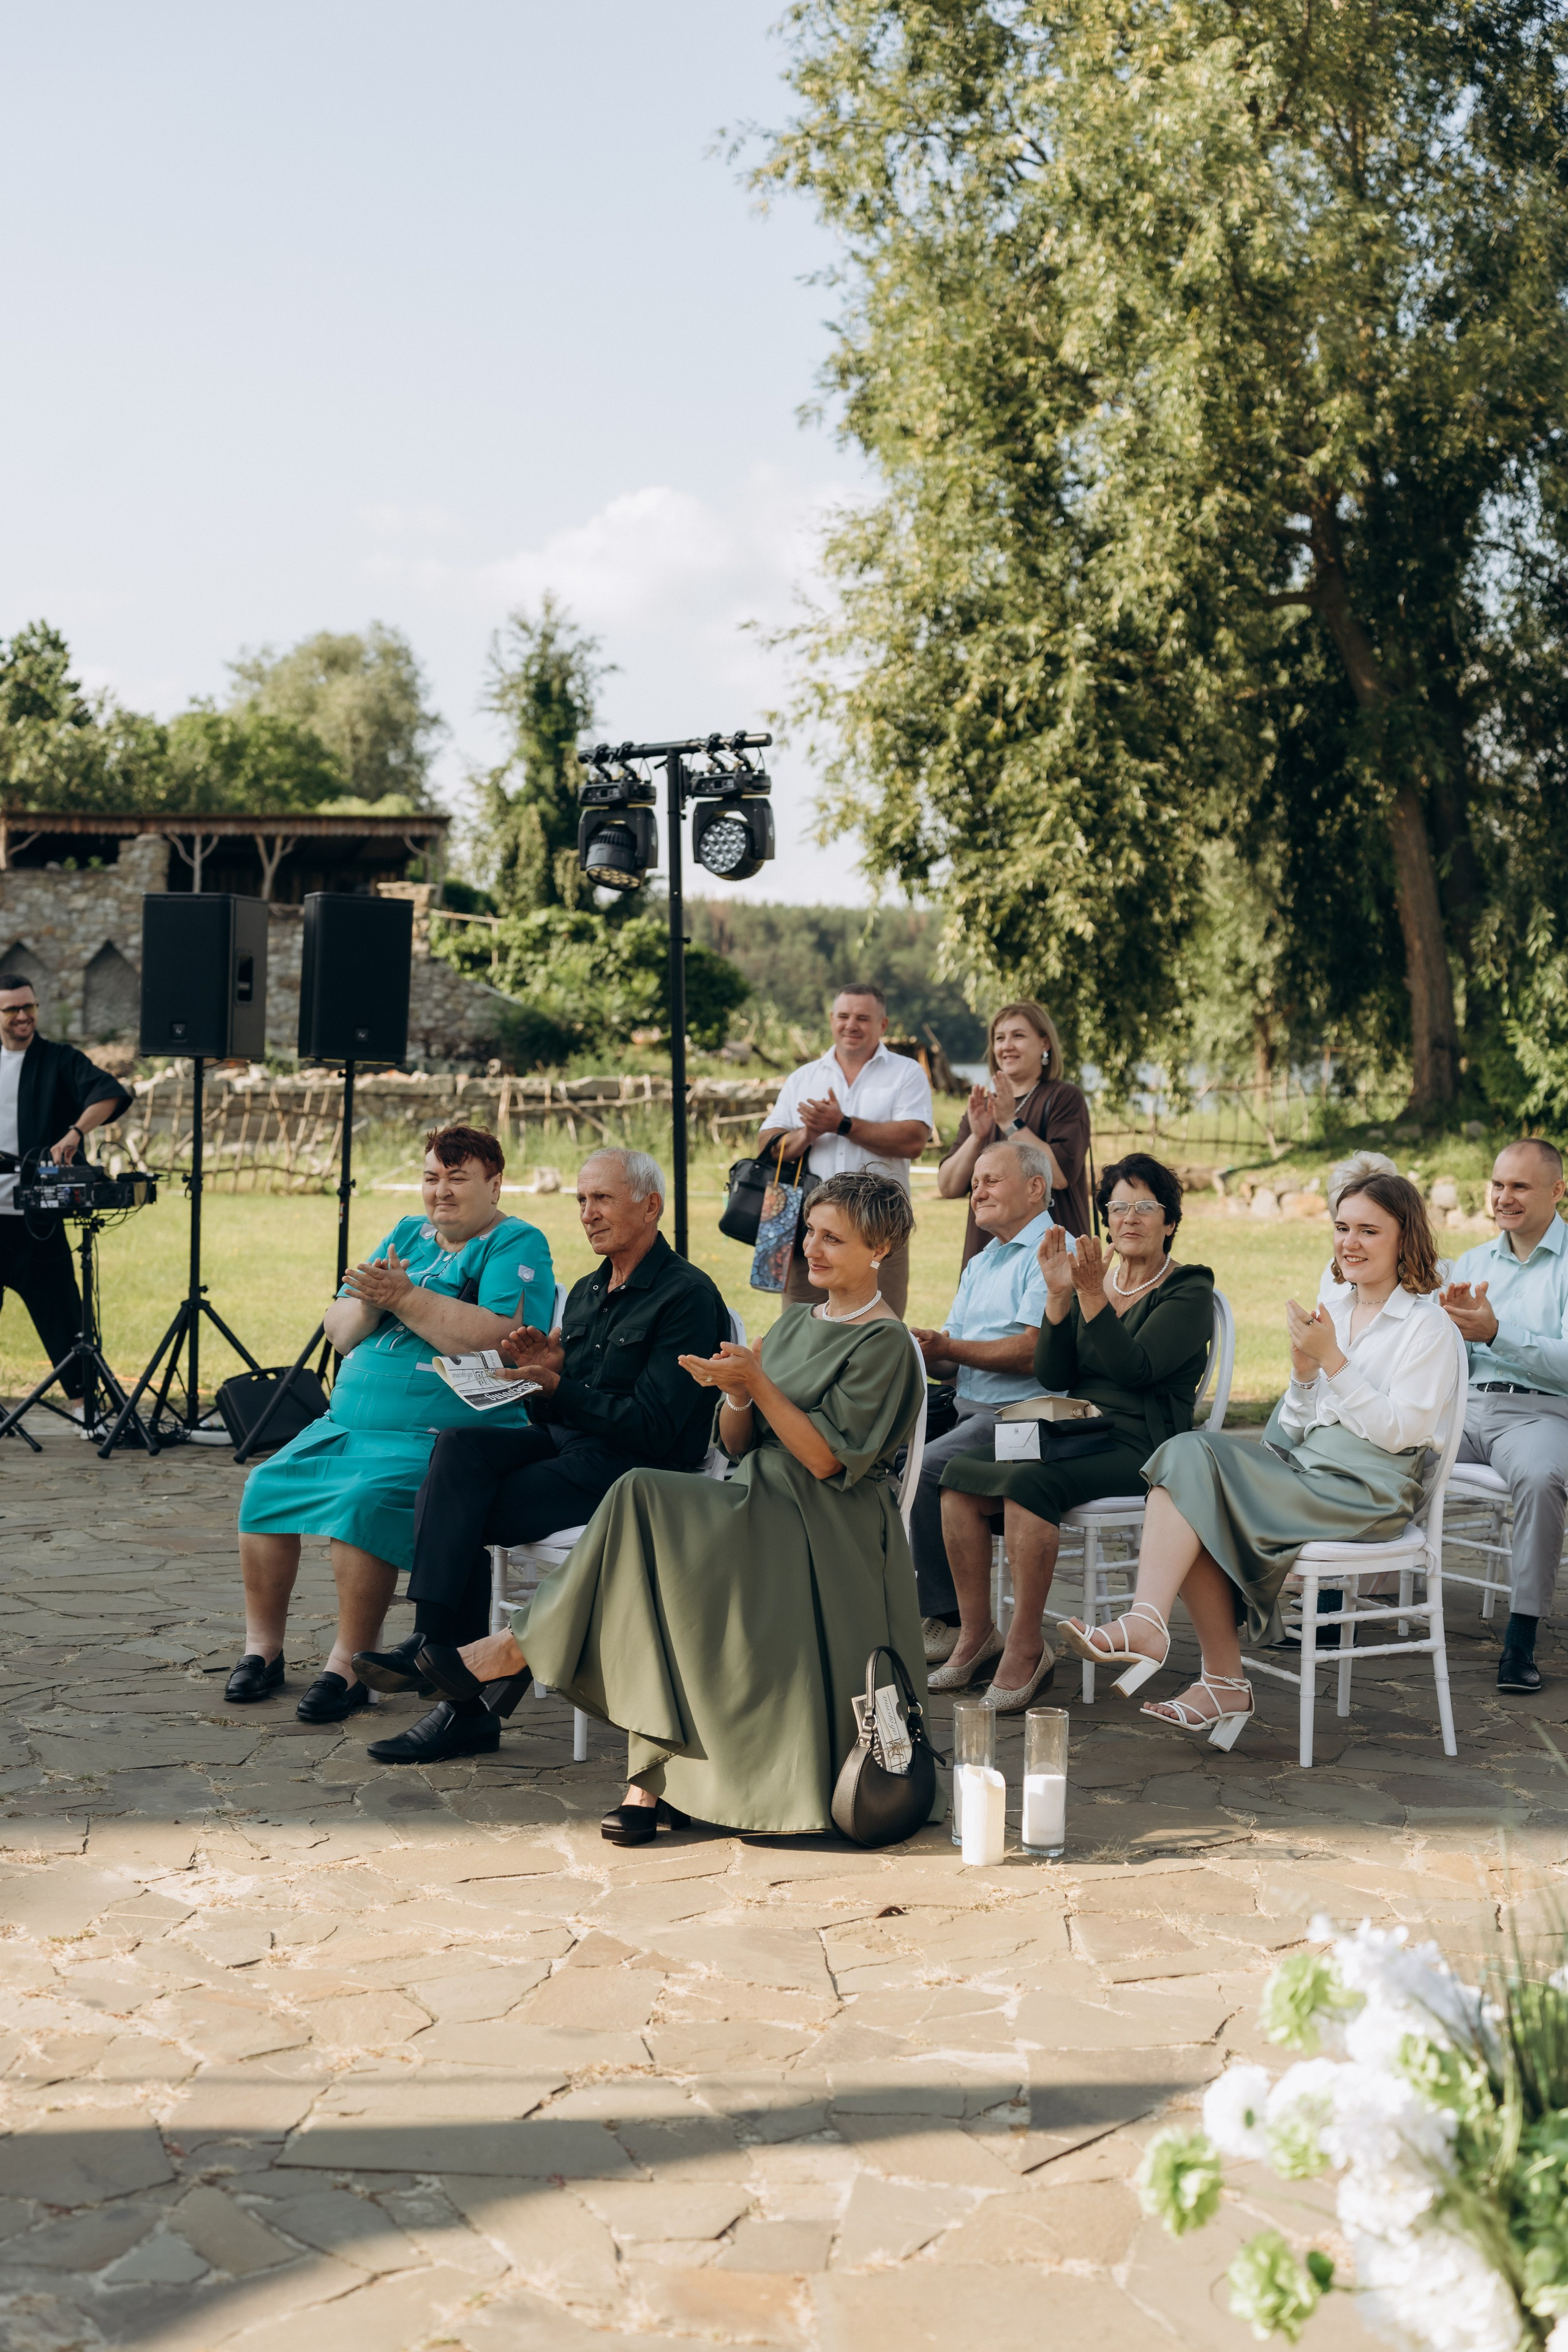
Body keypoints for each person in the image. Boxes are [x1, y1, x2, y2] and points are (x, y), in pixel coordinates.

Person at [407, 1172, 928, 1843]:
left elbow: (829, 1463)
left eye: (833, 1238)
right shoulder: (797, 1319)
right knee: (646, 1549)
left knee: (640, 1494)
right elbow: (739, 1445)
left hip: (828, 1522)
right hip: (755, 1496)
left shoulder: (884, 1343)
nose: (811, 1249)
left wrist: (758, 1385)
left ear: (879, 1248)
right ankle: (643, 1780)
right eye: (809, 1233)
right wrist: (735, 1395)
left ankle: (516, 1651)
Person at [353, 1147, 729, 1766]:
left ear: (650, 1206)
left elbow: (657, 1430)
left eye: (602, 1199)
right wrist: (539, 1378)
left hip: (635, 1472)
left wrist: (560, 1387)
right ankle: (432, 1640)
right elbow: (561, 1408)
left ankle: (461, 1700)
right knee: (460, 1449)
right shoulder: (584, 1292)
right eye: (582, 1200)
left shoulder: (685, 1297)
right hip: (574, 1446)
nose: (588, 1213)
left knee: (463, 1508)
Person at [1060, 1171, 1460, 1746]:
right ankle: (1197, 1660)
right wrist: (1303, 1377)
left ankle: (1177, 1646)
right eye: (1343, 1227)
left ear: (1406, 1239)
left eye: (1370, 1230)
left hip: (1370, 1490)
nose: (1350, 1242)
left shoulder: (1428, 1326)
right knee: (1186, 1472)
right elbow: (1297, 1425)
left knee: (1190, 1468)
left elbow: (1402, 1433)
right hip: (1308, 1471)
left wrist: (1335, 1364)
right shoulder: (1338, 1308)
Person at [226, 1125, 554, 1724]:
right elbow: (340, 1329)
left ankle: (350, 1664)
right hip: (346, 1424)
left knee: (363, 1505)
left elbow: (502, 1342)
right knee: (264, 1491)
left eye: (458, 1179)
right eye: (432, 1178)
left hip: (434, 1437)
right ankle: (263, 1650)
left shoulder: (515, 1244)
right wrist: (373, 1302)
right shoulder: (408, 1233)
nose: (442, 1193)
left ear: (495, 1183)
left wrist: (403, 1298)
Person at [938, 1154, 1215, 1710]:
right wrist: (1060, 1300)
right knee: (959, 1477)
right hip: (1079, 1429)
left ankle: (1025, 1648)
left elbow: (1135, 1370)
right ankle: (976, 1634)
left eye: (1144, 1206)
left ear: (1170, 1219)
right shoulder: (1098, 1281)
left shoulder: (1188, 1288)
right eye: (1117, 1206)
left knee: (1030, 1484)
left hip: (1144, 1443)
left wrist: (1089, 1296)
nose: (1129, 1218)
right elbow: (1055, 1374)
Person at [907, 1139, 1060, 1661]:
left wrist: (949, 1347)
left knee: (926, 1468)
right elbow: (953, 1359)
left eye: (991, 1180)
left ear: (1035, 1188)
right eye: (974, 1184)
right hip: (967, 1404)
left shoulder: (1050, 1251)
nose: (978, 1192)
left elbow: (1031, 1353)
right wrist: (922, 1350)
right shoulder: (982, 1262)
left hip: (1024, 1414)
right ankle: (894, 1600)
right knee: (874, 1443)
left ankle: (949, 1620)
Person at [1440, 1138, 1568, 1695]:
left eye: (1520, 1186)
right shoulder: (1472, 1261)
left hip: (1540, 1415)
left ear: (1557, 1191)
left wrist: (1497, 1332)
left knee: (1542, 1479)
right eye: (1498, 1184)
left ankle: (1521, 1637)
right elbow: (1452, 1357)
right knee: (1389, 1447)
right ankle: (1331, 1596)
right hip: (1468, 1406)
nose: (1504, 1197)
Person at [755, 982, 933, 1318]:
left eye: (863, 1018)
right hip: (809, 1231)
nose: (851, 1025)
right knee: (802, 1328)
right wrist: (808, 1132)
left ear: (883, 1025)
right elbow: (767, 1143)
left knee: (877, 1328)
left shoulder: (906, 1073)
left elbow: (913, 1140)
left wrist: (843, 1124)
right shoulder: (804, 1077)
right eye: (844, 1016)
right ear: (831, 1020)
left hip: (878, 1227)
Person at [0, 973, 132, 1410]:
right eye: (12, 1009)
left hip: (37, 1221)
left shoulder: (58, 1059)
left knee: (63, 1319)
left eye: (29, 1007)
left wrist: (76, 1131)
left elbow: (108, 1093)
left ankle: (86, 1407)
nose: (23, 1016)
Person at [938, 1000, 1091, 1254]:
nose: (1006, 1046)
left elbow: (1062, 1176)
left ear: (1045, 1043)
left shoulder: (1065, 1097)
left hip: (1050, 1255)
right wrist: (977, 1137)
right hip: (987, 1256)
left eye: (1018, 1036)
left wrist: (1010, 1124)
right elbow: (948, 1186)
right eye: (999, 1038)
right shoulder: (984, 1106)